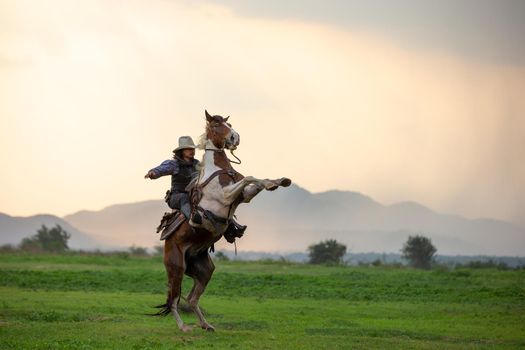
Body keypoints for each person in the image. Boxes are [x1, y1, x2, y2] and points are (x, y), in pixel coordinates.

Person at [144, 136, 202, 224]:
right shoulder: (174, 164)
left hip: (194, 195)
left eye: (192, 149)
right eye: (188, 149)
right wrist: (153, 173)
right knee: (184, 197)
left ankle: (228, 224)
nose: (192, 151)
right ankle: (193, 218)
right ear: (181, 151)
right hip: (177, 196)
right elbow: (162, 169)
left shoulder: (198, 164)